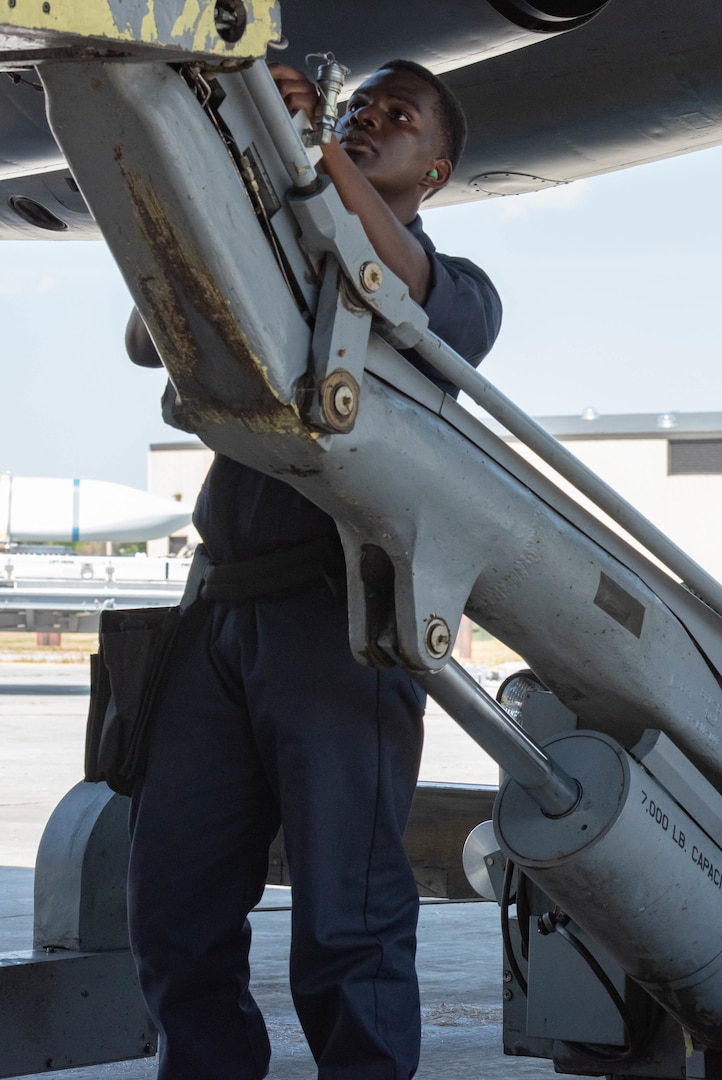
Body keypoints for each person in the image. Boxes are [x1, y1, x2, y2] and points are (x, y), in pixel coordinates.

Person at [124, 60, 502, 1079]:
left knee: (349, 921)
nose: (371, 119)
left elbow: (410, 293)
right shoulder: (270, 261)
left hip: (338, 620)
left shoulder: (462, 292)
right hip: (220, 616)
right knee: (176, 903)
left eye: (397, 116)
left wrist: (316, 149)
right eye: (359, 107)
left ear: (437, 169)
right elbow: (144, 333)